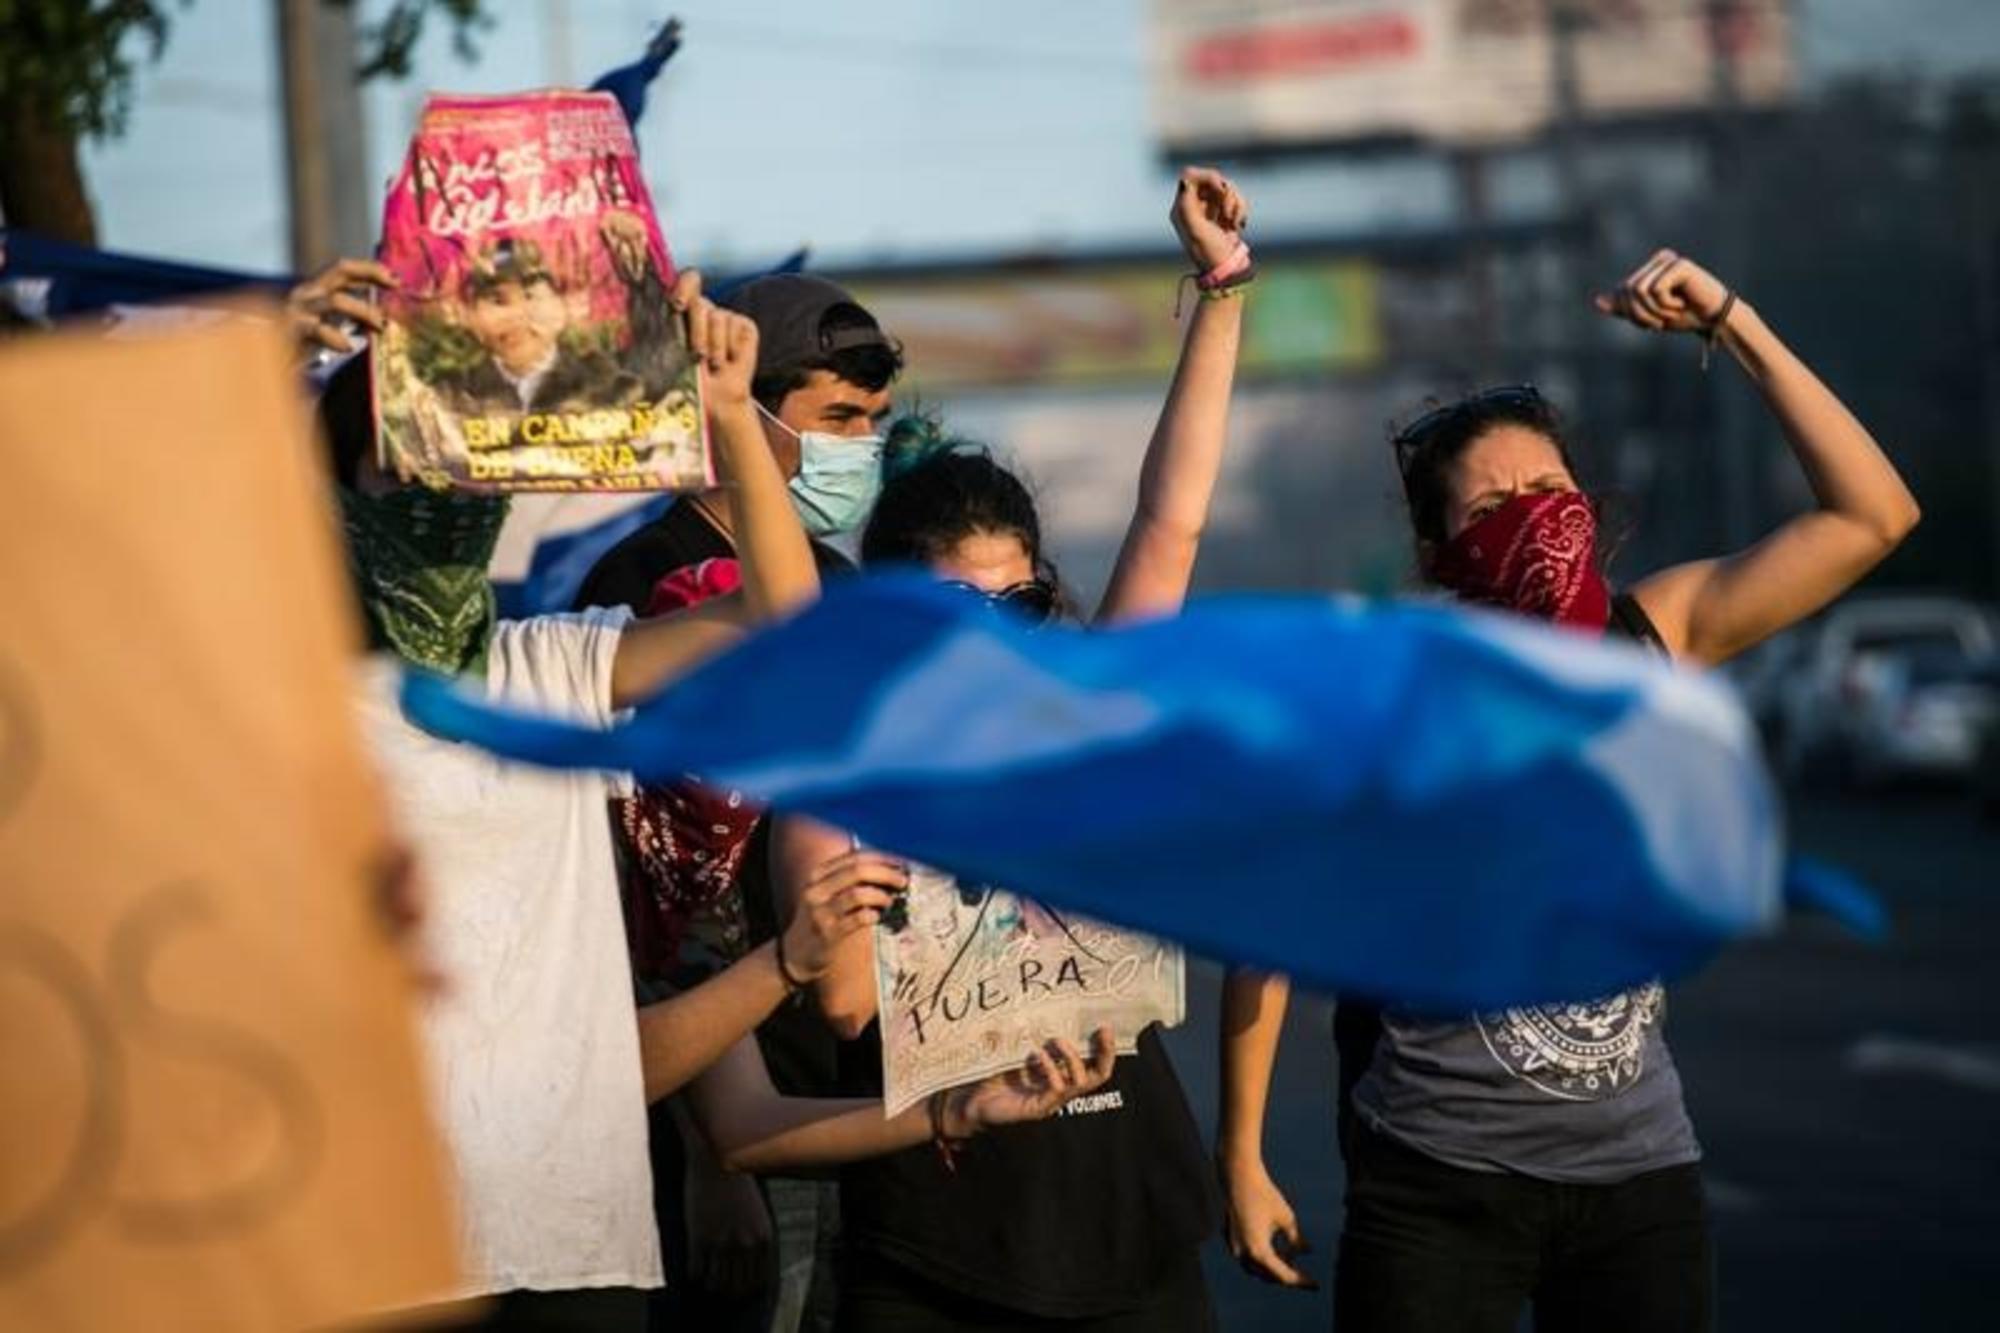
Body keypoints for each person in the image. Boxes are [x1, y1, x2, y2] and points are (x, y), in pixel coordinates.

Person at [1218, 248, 1921, 1332]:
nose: (1530, 518)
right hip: (1432, 1186)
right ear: (1436, 549)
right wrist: (1242, 1156)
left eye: (1546, 492)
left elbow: (1871, 517)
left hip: (1639, 1184)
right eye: (1491, 505)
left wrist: (1729, 321)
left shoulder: (1650, 640)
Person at [322, 272, 884, 1333]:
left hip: (573, 1243)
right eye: (401, 464)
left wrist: (724, 407)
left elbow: (780, 615)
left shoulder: (549, 669)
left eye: (460, 460)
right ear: (338, 491)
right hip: (383, 1249)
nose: (437, 495)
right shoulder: (288, 708)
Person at [765, 166, 1256, 1333]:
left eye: (1019, 601)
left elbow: (1168, 521)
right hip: (940, 1254)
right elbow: (838, 1003)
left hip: (1132, 1230)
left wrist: (1222, 285)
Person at [571, 274, 903, 1333]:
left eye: (875, 422)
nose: (861, 448)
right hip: (735, 1099)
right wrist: (714, 1151)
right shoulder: (634, 589)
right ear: (739, 414)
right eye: (837, 419)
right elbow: (638, 883)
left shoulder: (849, 588)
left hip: (864, 1082)